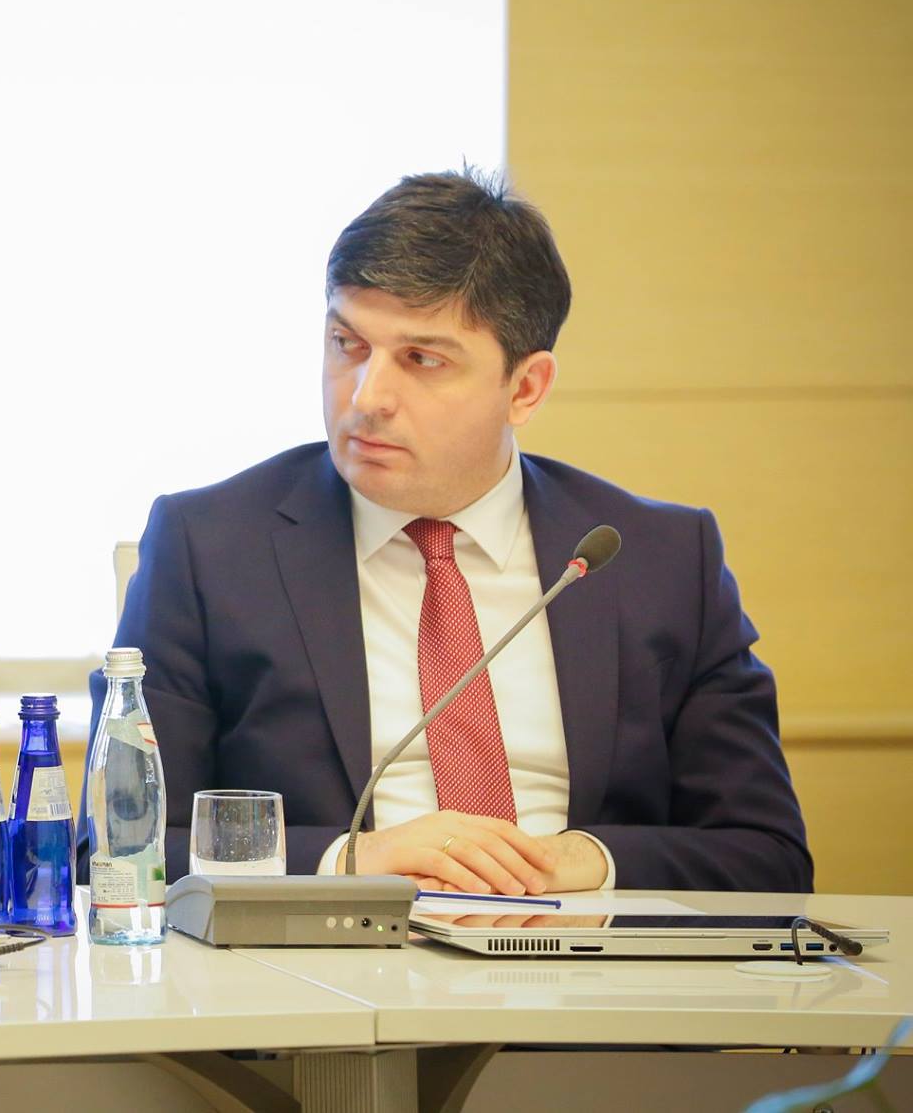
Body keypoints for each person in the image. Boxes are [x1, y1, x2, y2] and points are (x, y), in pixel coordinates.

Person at [93, 169, 809, 895]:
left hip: (583, 950)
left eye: (422, 359)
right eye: (347, 343)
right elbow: (123, 846)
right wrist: (351, 859)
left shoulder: (659, 560)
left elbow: (768, 854)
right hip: (328, 954)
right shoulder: (211, 548)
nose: (367, 397)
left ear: (525, 387)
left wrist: (581, 862)